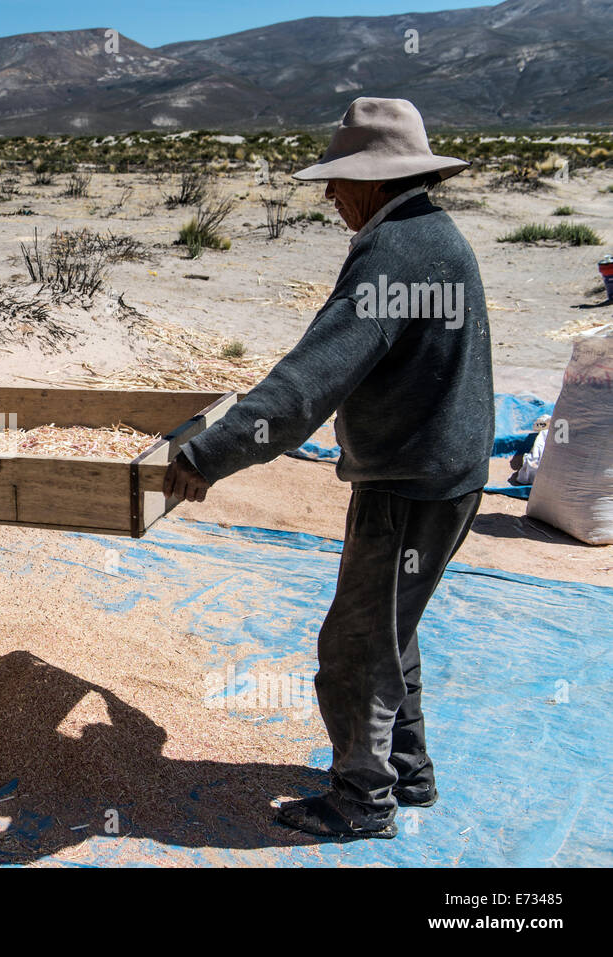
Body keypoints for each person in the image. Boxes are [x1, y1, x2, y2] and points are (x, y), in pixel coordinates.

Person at [164, 97, 494, 839]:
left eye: (339, 179)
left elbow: (310, 381)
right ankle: (408, 771)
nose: (329, 194)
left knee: (353, 644)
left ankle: (360, 799)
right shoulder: (436, 235)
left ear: (375, 181)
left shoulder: (395, 251)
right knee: (389, 628)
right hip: (450, 468)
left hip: (408, 482)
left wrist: (210, 454)